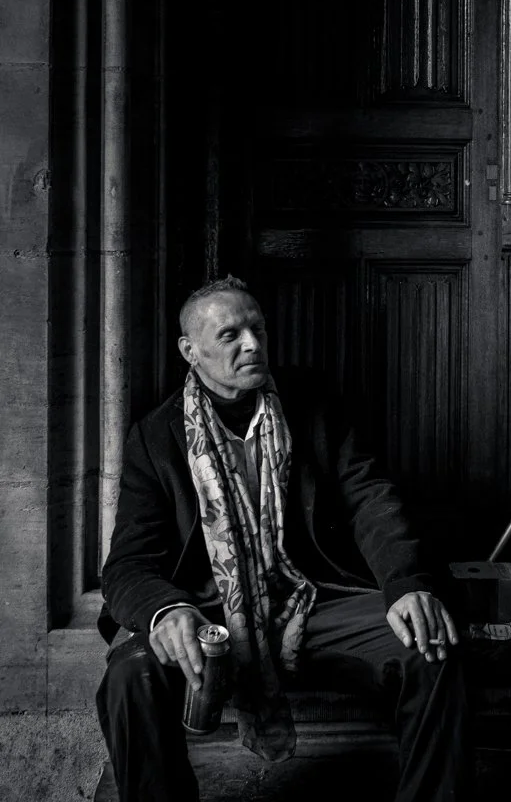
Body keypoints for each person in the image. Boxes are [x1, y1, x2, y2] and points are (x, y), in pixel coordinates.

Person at [95, 275, 471, 802]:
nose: (252, 344)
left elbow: (369, 499)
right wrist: (167, 610)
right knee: (130, 673)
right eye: (230, 335)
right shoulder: (155, 437)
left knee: (429, 646)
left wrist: (406, 584)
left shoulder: (312, 404)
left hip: (311, 600)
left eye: (258, 329)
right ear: (190, 350)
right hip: (211, 614)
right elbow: (127, 564)